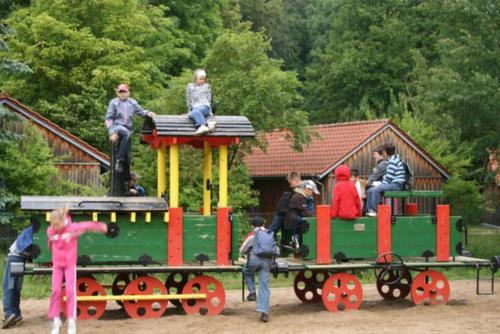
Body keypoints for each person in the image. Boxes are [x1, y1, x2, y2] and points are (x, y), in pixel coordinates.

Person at [47, 208, 108, 334]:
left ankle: (71, 320)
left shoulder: (72, 228)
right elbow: (50, 244)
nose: (55, 227)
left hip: (70, 264)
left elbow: (86, 225)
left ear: (62, 221)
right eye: (53, 225)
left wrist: (101, 226)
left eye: (57, 224)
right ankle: (56, 320)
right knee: (55, 291)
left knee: (70, 291)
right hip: (57, 265)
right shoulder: (51, 231)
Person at [105, 83, 156, 173]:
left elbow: (141, 111)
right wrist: (111, 132)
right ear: (117, 93)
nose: (122, 93)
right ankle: (119, 160)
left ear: (128, 92)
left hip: (128, 129)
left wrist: (148, 113)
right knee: (125, 132)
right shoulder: (114, 103)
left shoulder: (132, 102)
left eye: (124, 91)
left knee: (128, 155)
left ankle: (126, 175)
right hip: (117, 127)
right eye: (120, 92)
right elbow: (108, 119)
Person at [2, 221, 39, 329]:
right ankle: (15, 314)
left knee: (9, 286)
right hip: (19, 258)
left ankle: (11, 313)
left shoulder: (33, 229)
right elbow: (29, 248)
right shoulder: (35, 230)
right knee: (15, 287)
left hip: (15, 257)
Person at [240, 217, 278, 323]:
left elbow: (242, 249)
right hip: (267, 263)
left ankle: (252, 292)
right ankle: (264, 313)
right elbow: (276, 249)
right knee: (264, 287)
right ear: (263, 224)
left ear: (253, 225)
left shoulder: (252, 235)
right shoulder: (269, 234)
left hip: (254, 262)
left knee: (246, 271)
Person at [365, 143, 405, 217]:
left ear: (385, 152)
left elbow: (389, 177)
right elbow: (388, 177)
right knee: (371, 190)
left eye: (383, 152)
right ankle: (368, 210)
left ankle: (374, 211)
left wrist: (381, 184)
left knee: (376, 189)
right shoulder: (391, 160)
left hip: (397, 184)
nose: (383, 153)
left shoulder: (393, 161)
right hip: (392, 183)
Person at [186, 69, 216, 136]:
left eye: (203, 79)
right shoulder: (190, 86)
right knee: (192, 113)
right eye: (200, 79)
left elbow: (209, 99)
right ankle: (208, 124)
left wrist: (210, 112)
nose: (202, 81)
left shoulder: (206, 86)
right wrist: (189, 110)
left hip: (205, 107)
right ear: (195, 78)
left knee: (194, 112)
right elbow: (189, 99)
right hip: (195, 108)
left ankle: (202, 126)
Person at [284, 183, 315, 248]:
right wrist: (313, 217)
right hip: (293, 218)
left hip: (290, 217)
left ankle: (295, 239)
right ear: (306, 190)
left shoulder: (299, 195)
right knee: (305, 223)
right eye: (311, 191)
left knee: (303, 223)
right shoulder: (301, 197)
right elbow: (303, 211)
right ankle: (297, 239)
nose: (312, 193)